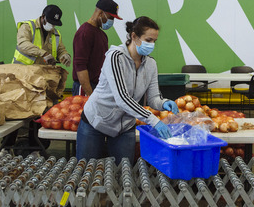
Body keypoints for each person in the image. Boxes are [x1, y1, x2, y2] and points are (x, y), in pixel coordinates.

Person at [76, 16, 179, 165]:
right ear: (134, 36)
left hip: (124, 126)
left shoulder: (151, 64)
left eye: (154, 41)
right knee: (86, 171)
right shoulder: (115, 57)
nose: (151, 45)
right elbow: (122, 98)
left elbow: (153, 98)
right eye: (148, 40)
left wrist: (164, 103)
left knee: (123, 172)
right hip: (96, 120)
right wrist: (154, 121)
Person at [72, 0, 122, 96]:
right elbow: (80, 66)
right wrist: (89, 94)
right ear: (100, 13)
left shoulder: (102, 35)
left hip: (98, 86)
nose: (112, 21)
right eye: (110, 17)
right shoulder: (85, 33)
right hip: (85, 88)